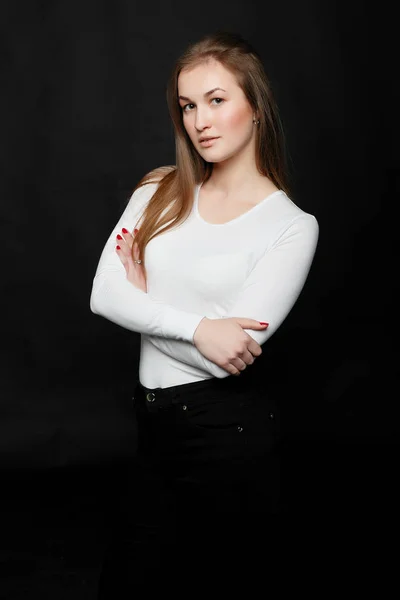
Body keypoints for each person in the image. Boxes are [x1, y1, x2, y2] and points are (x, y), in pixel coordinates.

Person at [90, 30, 319, 590]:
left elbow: (225, 361)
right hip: (153, 430)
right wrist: (197, 326)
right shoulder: (159, 190)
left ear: (256, 107)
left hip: (227, 433)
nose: (200, 121)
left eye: (217, 100)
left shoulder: (291, 227)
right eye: (189, 105)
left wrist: (143, 305)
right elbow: (102, 296)